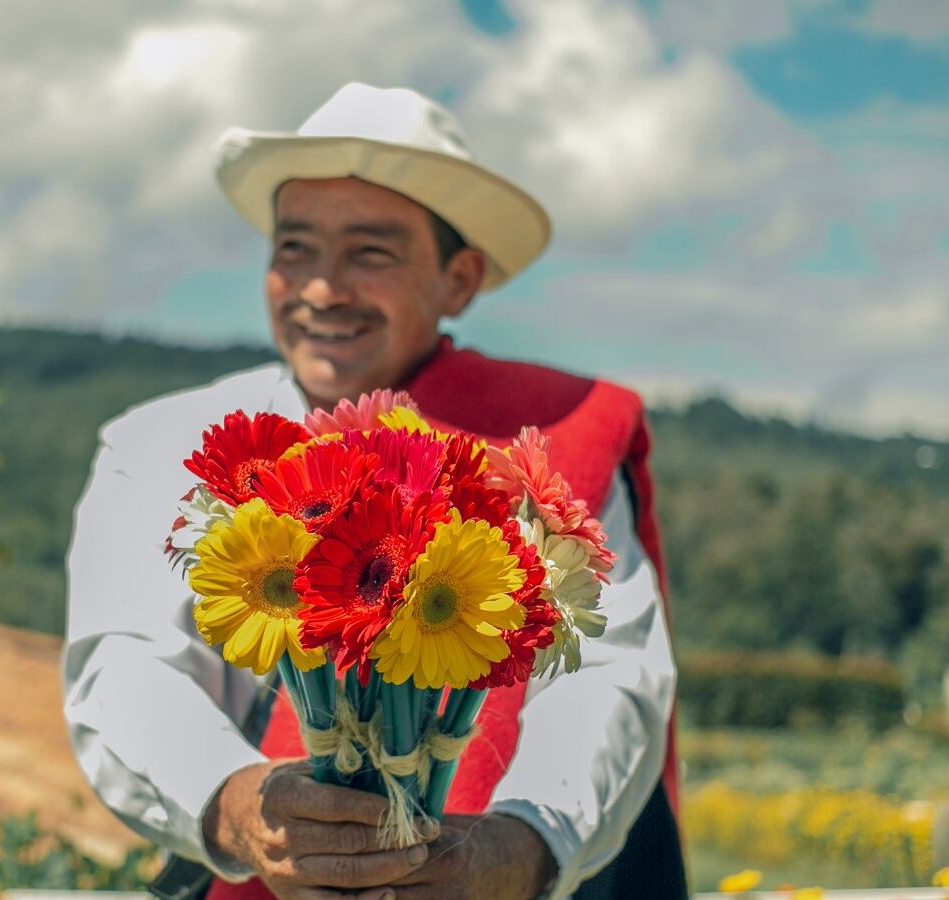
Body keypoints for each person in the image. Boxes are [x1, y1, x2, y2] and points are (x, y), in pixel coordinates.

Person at [62, 83, 684, 900]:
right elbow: (123, 668)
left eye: (370, 253)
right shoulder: (158, 443)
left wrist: (521, 845)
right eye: (294, 250)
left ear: (459, 280)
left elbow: (610, 677)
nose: (322, 289)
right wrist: (240, 805)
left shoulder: (546, 446)